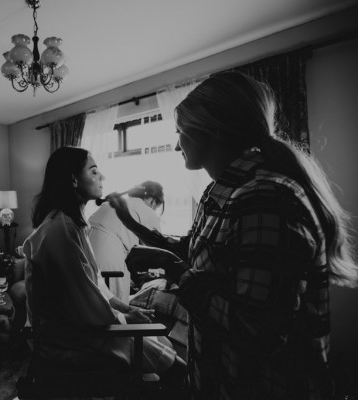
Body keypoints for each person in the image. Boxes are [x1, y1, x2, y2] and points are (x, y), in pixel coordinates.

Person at [107, 71, 358, 400]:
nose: (175, 143)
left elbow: (258, 332)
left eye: (180, 132)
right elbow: (201, 248)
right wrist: (134, 224)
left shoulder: (265, 197)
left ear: (213, 131)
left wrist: (176, 271)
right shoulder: (221, 190)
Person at [23, 146, 186, 382]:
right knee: (177, 369)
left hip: (77, 331)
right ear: (73, 179)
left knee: (160, 343)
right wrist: (126, 319)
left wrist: (127, 308)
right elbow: (86, 305)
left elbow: (95, 284)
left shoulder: (72, 226)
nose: (103, 177)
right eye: (94, 171)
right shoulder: (61, 233)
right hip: (66, 341)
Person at [88, 181, 165, 302]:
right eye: (156, 207)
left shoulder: (112, 205)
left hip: (85, 251)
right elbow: (157, 250)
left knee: (94, 304)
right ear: (153, 200)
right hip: (107, 257)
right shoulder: (146, 210)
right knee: (111, 308)